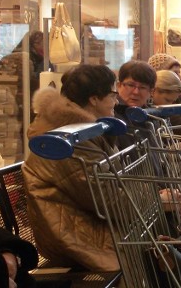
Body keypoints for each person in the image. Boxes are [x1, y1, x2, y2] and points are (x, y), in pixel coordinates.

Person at [23, 64, 121, 271]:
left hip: (82, 224)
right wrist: (157, 198)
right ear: (94, 99)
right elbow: (105, 200)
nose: (117, 100)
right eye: (113, 94)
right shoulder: (69, 139)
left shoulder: (83, 129)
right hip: (77, 237)